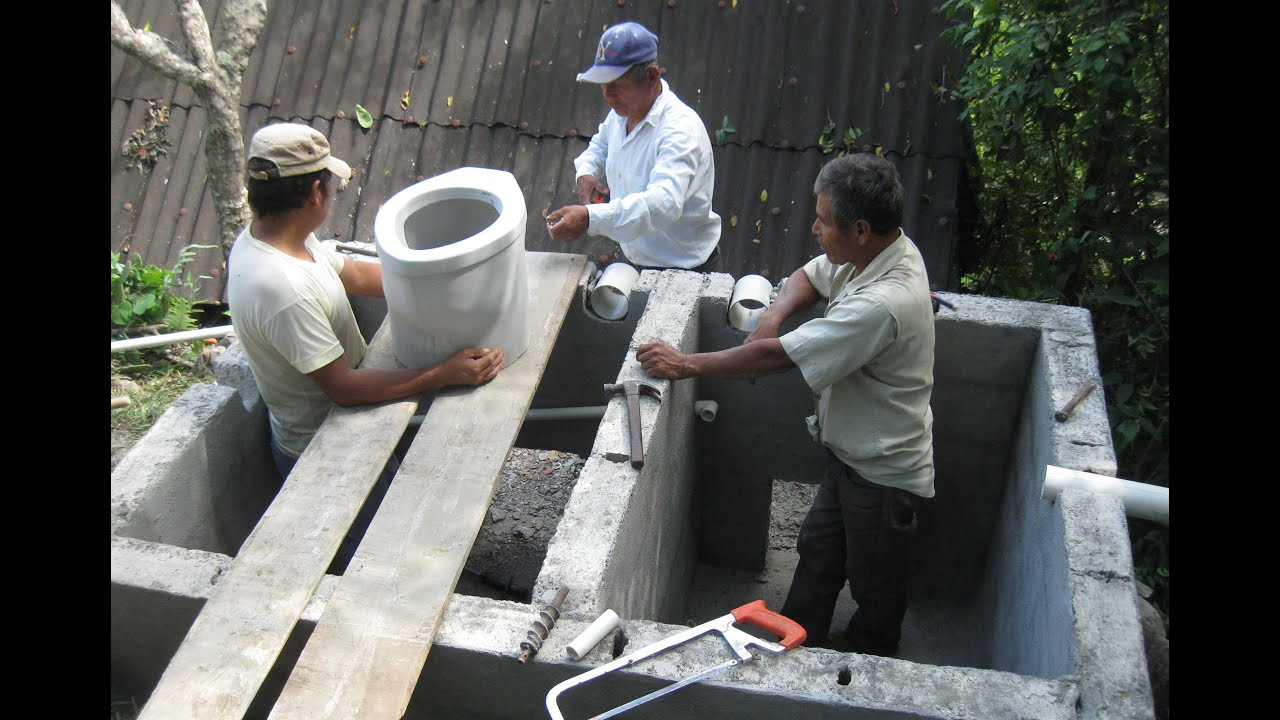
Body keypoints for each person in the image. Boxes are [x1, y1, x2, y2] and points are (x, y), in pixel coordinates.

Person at [636, 153, 935, 656]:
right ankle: (793, 645)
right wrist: (772, 316)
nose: (815, 228)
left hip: (885, 474)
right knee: (817, 555)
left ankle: (861, 671)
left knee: (876, 588)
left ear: (860, 228)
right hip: (851, 457)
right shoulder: (872, 254)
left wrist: (685, 364)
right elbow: (805, 276)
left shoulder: (884, 301)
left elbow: (776, 360)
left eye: (823, 219)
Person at [226, 122, 505, 571]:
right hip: (325, 450)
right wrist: (443, 374)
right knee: (373, 563)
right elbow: (344, 388)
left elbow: (352, 274)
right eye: (331, 187)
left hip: (350, 422)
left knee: (392, 520)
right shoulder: (281, 289)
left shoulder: (281, 235)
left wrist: (441, 286)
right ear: (316, 193)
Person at [545, 21, 722, 273]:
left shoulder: (680, 128)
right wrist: (585, 172)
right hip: (636, 260)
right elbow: (600, 145)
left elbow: (663, 204)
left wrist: (590, 218)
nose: (607, 95)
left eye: (616, 86)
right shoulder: (621, 113)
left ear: (651, 77)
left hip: (686, 268)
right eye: (603, 86)